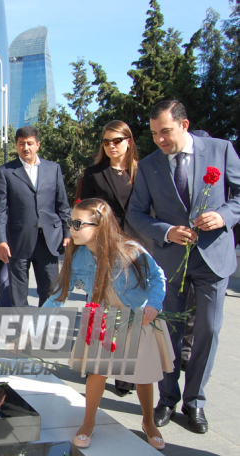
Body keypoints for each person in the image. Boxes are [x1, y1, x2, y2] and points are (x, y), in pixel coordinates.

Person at [128, 100, 240, 435]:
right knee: (167, 333)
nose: (159, 139)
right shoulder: (149, 166)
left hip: (213, 259)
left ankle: (195, 402)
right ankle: (167, 398)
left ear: (185, 125)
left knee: (208, 329)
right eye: (154, 134)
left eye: (165, 131)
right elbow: (136, 213)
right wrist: (166, 231)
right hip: (170, 263)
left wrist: (224, 217)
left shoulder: (221, 151)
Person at [44, 198, 172, 451]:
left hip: (138, 317)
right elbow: (58, 295)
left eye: (79, 223)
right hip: (103, 319)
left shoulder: (131, 249)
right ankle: (88, 422)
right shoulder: (78, 256)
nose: (72, 228)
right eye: (71, 222)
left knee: (143, 376)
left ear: (100, 226)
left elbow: (157, 276)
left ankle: (148, 422)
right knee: (97, 371)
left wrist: (154, 304)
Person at [80, 120, 143, 397]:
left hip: (135, 246)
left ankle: (126, 376)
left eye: (116, 140)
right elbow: (84, 211)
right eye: (106, 142)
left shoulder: (142, 173)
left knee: (131, 309)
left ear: (128, 141)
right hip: (104, 247)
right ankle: (96, 367)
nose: (111, 146)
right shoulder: (94, 173)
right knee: (102, 307)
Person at [0, 126, 71, 307]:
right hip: (18, 241)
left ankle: (45, 331)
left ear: (38, 145)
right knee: (18, 293)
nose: (26, 147)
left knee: (50, 291)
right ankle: (22, 331)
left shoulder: (53, 169)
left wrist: (68, 233)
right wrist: (1, 241)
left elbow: (63, 205)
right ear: (16, 145)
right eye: (21, 144)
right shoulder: (5, 171)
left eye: (30, 143)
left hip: (49, 240)